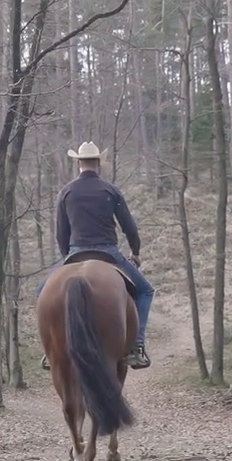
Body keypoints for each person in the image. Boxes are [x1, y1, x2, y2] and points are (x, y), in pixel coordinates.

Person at [44, 141, 155, 370]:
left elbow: (61, 233)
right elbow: (130, 228)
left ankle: (51, 349)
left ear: (78, 163)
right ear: (99, 163)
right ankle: (136, 346)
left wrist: (67, 258)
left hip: (75, 252)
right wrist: (135, 252)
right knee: (145, 291)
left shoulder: (66, 192)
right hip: (108, 252)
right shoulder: (110, 190)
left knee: (42, 292)